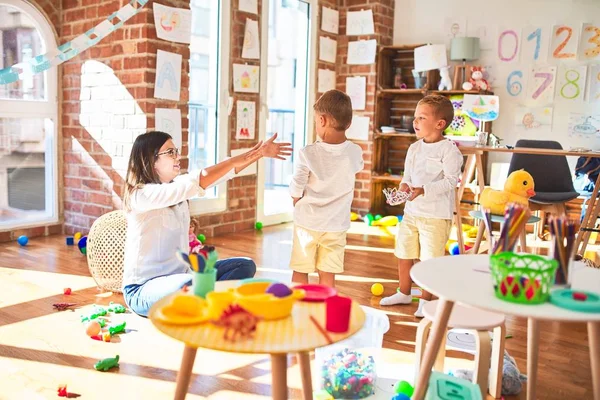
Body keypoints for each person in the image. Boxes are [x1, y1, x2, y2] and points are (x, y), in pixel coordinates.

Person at [122, 130, 292, 317]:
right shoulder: (140, 195)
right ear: (150, 159)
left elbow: (221, 175)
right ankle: (213, 301)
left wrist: (259, 154)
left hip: (185, 276)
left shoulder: (176, 191)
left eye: (176, 151)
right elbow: (199, 179)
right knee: (188, 284)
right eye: (170, 152)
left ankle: (208, 302)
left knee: (244, 266)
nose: (178, 156)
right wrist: (252, 154)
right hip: (142, 289)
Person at [379, 95, 463, 317]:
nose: (415, 121)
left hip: (436, 217)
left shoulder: (449, 150)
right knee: (404, 253)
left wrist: (424, 189)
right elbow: (407, 176)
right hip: (411, 213)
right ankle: (404, 292)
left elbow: (452, 181)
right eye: (415, 117)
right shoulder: (414, 149)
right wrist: (403, 188)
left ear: (439, 124)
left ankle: (425, 300)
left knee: (429, 260)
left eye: (421, 117)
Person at [289, 90, 364, 287]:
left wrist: (295, 198)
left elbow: (297, 183)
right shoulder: (355, 152)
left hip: (307, 221)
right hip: (336, 225)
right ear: (348, 124)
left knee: (300, 269)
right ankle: (326, 309)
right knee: (328, 273)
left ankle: (297, 307)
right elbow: (357, 167)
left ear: (321, 120)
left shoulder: (308, 153)